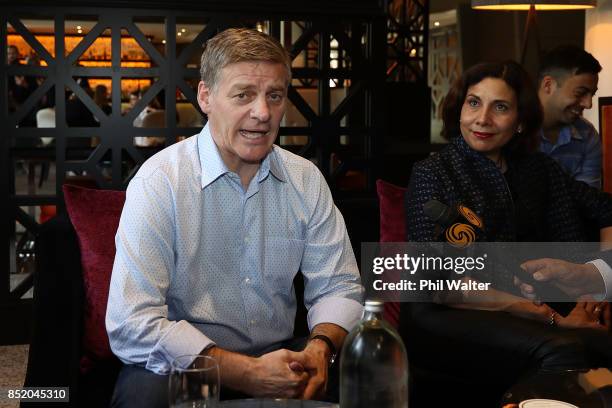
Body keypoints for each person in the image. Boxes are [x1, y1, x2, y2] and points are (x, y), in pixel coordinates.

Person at [106, 28, 364, 408]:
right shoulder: (160, 182)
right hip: (190, 363)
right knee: (143, 397)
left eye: (274, 96)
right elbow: (131, 322)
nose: (262, 113)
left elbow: (339, 286)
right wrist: (245, 373)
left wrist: (319, 350)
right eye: (243, 94)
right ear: (206, 96)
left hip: (282, 354)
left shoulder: (305, 179)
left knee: (368, 367)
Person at [402, 60, 612, 403]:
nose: (482, 118)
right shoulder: (433, 173)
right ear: (459, 110)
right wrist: (547, 316)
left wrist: (592, 283)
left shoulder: (538, 169)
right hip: (445, 313)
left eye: (500, 107)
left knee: (600, 342)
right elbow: (437, 281)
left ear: (521, 121)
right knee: (560, 347)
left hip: (534, 307)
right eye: (474, 103)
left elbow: (606, 209)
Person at [538, 45, 602, 188]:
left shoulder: (588, 136)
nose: (588, 104)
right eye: (580, 93)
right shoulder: (512, 128)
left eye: (592, 94)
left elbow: (589, 201)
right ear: (548, 85)